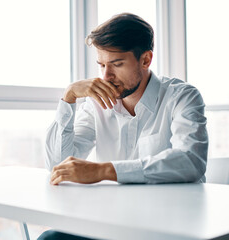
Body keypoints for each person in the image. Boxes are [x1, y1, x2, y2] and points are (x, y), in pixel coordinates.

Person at [38, 13, 208, 240]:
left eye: (117, 64)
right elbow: (59, 165)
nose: (106, 76)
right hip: (113, 224)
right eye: (101, 65)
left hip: (171, 227)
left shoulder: (182, 97)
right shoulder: (96, 103)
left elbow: (190, 161)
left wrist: (103, 171)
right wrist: (68, 97)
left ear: (145, 60)